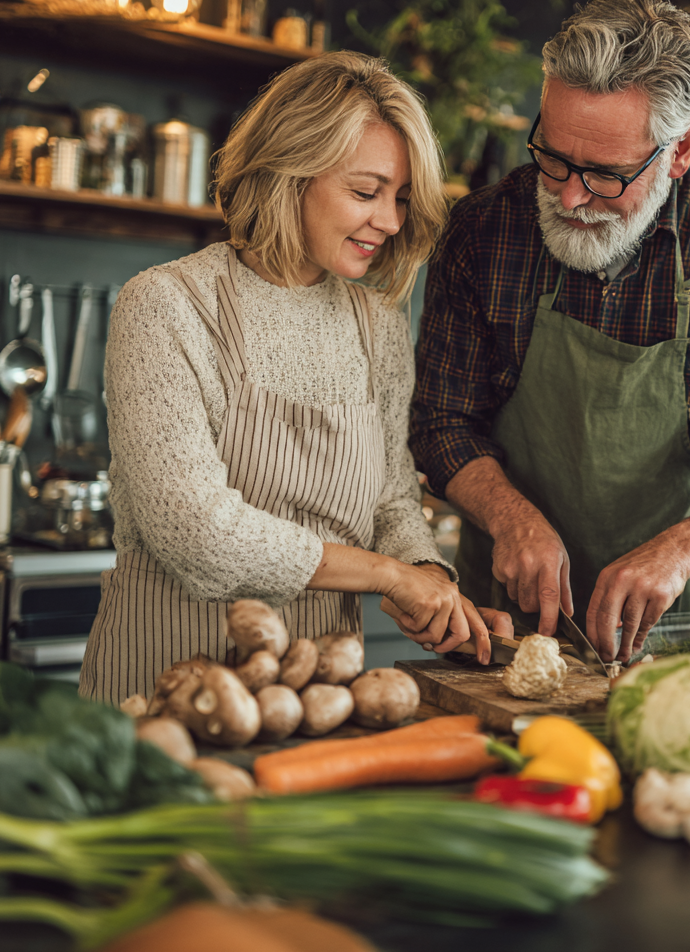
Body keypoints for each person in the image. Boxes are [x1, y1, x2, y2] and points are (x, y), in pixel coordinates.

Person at [411, 0, 690, 665]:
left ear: (679, 150)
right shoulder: (484, 230)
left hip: (673, 632)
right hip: (499, 623)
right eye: (551, 157)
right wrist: (509, 516)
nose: (571, 196)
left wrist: (680, 551)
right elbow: (440, 421)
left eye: (606, 175)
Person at [81, 52, 509, 704]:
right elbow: (199, 536)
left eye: (398, 199)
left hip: (317, 692)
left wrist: (430, 581)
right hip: (164, 690)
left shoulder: (377, 325)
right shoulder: (168, 306)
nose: (390, 222)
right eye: (366, 193)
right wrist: (388, 576)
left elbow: (392, 501)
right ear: (289, 174)